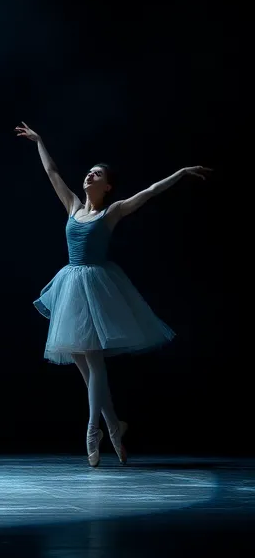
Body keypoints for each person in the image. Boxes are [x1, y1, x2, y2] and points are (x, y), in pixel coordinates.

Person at [16, 121, 210, 466]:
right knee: (83, 364)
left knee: (93, 358)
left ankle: (93, 431)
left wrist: (180, 172)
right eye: (89, 172)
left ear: (107, 187)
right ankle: (114, 424)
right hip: (70, 286)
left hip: (96, 285)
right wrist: (39, 140)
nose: (90, 176)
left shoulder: (112, 212)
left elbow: (148, 192)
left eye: (97, 174)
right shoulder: (73, 206)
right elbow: (52, 171)